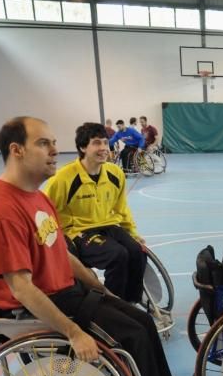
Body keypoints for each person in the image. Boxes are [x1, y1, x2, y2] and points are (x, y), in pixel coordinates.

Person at [0, 116, 191, 376]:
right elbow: (20, 288)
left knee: (142, 319)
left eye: (53, 143)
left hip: (66, 291)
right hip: (32, 308)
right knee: (132, 333)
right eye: (43, 143)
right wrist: (73, 332)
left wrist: (101, 289)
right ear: (16, 150)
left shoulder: (36, 198)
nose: (53, 151)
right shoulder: (1, 210)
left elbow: (61, 252)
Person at [44, 122, 146, 303]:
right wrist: (57, 244)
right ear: (83, 147)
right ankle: (113, 307)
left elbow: (121, 208)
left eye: (106, 143)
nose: (104, 148)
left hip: (108, 226)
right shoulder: (63, 179)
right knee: (118, 255)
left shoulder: (115, 173)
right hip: (78, 233)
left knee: (137, 251)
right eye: (97, 143)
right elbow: (45, 212)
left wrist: (132, 233)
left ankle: (131, 303)